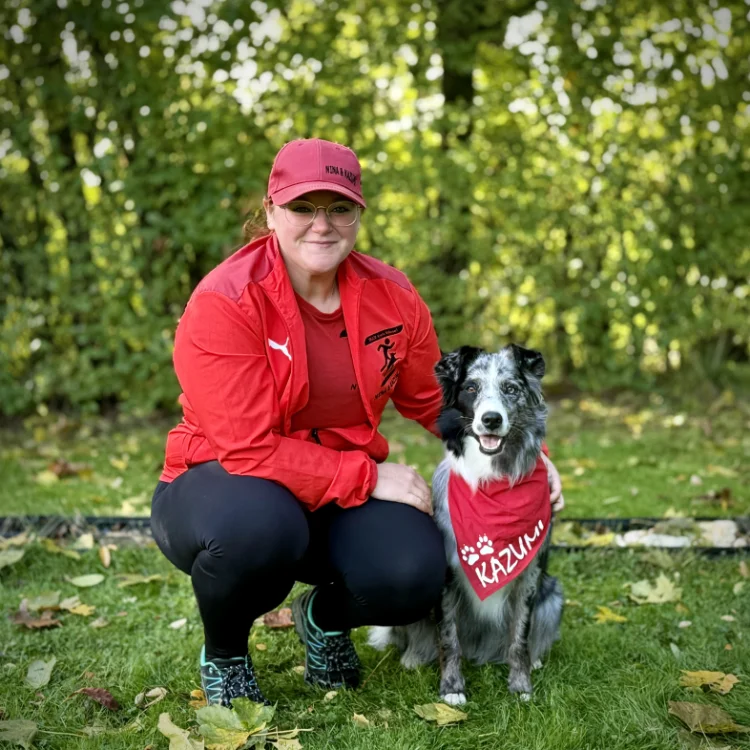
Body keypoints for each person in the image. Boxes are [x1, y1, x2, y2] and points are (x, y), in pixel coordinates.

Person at [150, 138, 564, 708]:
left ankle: (321, 617)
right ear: (271, 212)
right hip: (222, 486)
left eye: (338, 207)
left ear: (358, 215)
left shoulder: (392, 297)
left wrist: (530, 460)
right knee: (262, 529)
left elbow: (433, 401)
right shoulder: (225, 301)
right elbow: (247, 449)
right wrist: (371, 479)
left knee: (413, 572)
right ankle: (224, 654)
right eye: (302, 207)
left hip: (334, 492)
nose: (322, 224)